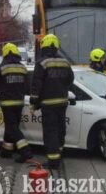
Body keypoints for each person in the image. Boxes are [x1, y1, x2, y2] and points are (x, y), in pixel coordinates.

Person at [31, 34, 74, 169]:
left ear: (44, 46)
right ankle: (58, 153)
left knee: (50, 132)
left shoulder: (42, 62)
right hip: (62, 102)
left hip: (48, 104)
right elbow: (70, 80)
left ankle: (53, 161)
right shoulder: (65, 62)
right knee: (61, 129)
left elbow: (36, 84)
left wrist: (34, 102)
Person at [0, 43, 33, 163]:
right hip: (19, 102)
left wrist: (0, 90)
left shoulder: (2, 67)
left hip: (7, 103)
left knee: (12, 127)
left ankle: (26, 151)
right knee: (12, 127)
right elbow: (27, 87)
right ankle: (7, 150)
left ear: (5, 54)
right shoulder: (22, 68)